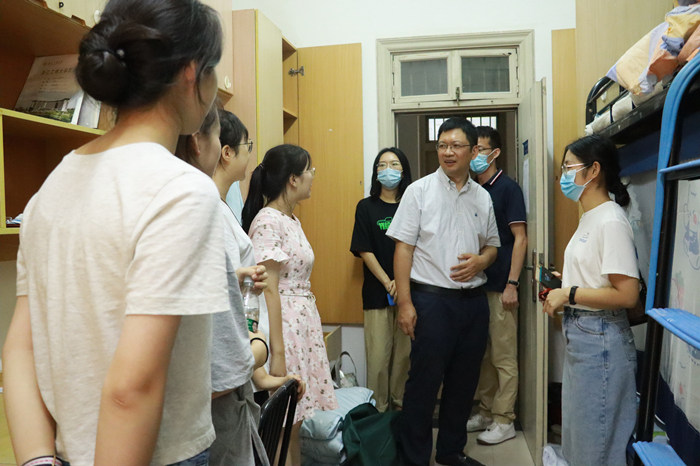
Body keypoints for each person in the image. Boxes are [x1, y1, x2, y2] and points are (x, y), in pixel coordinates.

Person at [2, 1, 227, 465]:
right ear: (192, 72)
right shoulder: (182, 190)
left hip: (64, 452)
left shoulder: (54, 185)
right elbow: (132, 387)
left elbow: (20, 348)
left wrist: (37, 460)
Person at [175, 108, 304, 466]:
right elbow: (219, 312)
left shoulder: (219, 207)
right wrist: (260, 352)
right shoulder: (206, 211)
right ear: (222, 150)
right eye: (247, 146)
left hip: (233, 374)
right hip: (223, 382)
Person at [387, 117, 500, 466]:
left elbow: (492, 246)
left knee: (464, 384)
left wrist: (482, 261)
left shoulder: (483, 197)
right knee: (423, 383)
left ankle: (451, 452)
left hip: (473, 304)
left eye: (456, 146)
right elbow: (403, 250)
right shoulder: (418, 191)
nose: (448, 152)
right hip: (432, 302)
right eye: (442, 146)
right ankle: (413, 458)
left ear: (473, 151)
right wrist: (405, 303)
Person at [543, 135, 639, 466]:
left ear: (594, 170)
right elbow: (599, 277)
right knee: (580, 440)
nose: (563, 176)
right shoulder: (590, 216)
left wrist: (568, 293)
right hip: (584, 335)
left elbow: (627, 294)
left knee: (594, 448)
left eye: (569, 167)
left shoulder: (610, 219)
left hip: (601, 340)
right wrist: (564, 284)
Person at [243, 145, 339, 466]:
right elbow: (267, 287)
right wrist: (278, 352)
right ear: (293, 179)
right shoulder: (267, 221)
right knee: (282, 428)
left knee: (294, 426)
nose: (313, 176)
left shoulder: (291, 219)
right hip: (283, 328)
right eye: (310, 170)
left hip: (300, 325)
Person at [467, 127, 527, 445]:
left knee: (503, 356)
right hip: (476, 286)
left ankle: (505, 419)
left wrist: (512, 284)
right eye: (472, 149)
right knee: (483, 355)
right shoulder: (473, 190)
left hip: (501, 286)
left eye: (480, 149)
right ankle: (487, 411)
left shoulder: (508, 189)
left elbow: (520, 239)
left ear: (495, 153)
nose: (474, 155)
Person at [350, 147, 413, 413]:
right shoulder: (366, 207)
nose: (388, 170)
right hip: (377, 293)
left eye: (394, 164)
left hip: (409, 294)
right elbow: (364, 250)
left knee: (404, 359)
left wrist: (402, 282)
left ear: (404, 170)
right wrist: (389, 281)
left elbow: (419, 247)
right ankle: (379, 416)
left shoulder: (413, 204)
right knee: (377, 360)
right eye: (382, 165)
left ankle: (401, 414)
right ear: (376, 172)